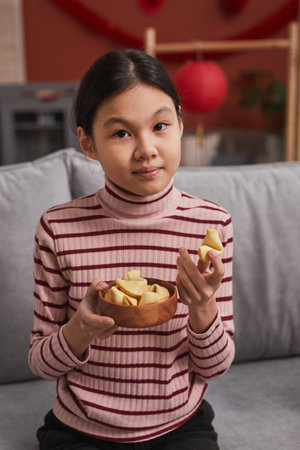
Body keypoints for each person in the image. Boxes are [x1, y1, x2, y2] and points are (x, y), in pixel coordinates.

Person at [29, 49, 235, 450]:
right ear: (88, 142)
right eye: (121, 132)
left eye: (160, 125)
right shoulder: (56, 229)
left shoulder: (212, 225)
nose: (146, 149)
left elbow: (216, 365)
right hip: (80, 428)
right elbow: (39, 362)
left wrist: (202, 308)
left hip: (180, 426)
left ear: (179, 122)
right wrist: (81, 330)